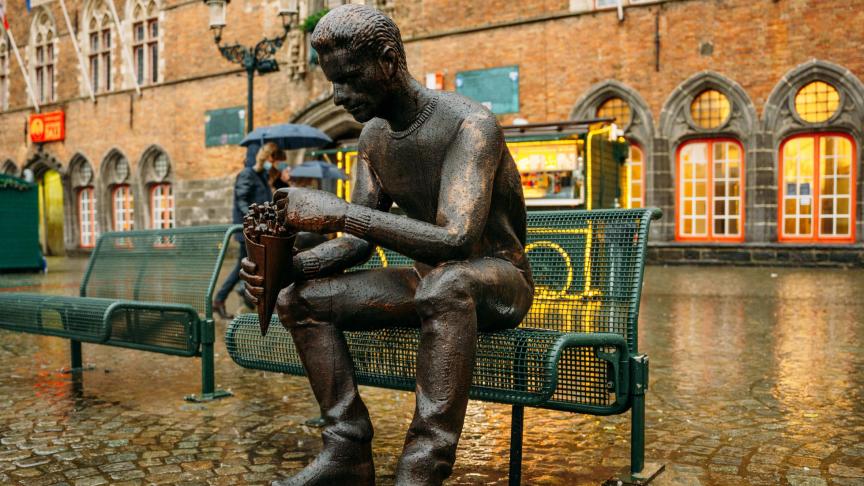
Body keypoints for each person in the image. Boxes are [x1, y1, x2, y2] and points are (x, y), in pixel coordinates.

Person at [241, 5, 533, 486]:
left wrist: (338, 212)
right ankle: (346, 448)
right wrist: (290, 269)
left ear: (388, 62)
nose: (340, 97)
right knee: (302, 301)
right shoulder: (373, 137)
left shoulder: (470, 125)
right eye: (334, 82)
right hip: (430, 280)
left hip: (497, 279)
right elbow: (357, 243)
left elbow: (457, 240)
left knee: (447, 283)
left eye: (351, 79)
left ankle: (422, 467)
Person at [213, 142, 277, 319]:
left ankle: (227, 298)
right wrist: (255, 217)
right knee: (245, 265)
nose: (271, 162)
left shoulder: (261, 176)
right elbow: (242, 201)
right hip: (247, 230)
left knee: (247, 265)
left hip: (256, 229)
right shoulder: (247, 175)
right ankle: (229, 297)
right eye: (269, 158)